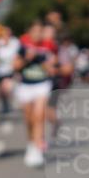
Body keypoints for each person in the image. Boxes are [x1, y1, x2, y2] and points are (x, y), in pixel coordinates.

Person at [13, 20, 57, 168]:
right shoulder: (23, 44)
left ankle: (38, 149)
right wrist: (27, 58)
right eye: (35, 31)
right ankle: (31, 143)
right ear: (30, 31)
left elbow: (53, 67)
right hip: (25, 85)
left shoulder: (48, 45)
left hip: (42, 84)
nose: (38, 34)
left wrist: (48, 64)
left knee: (39, 116)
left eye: (40, 31)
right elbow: (15, 66)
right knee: (29, 118)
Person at [0, 25, 20, 119]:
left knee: (6, 88)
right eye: (4, 33)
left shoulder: (15, 42)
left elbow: (17, 55)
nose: (6, 35)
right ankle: (5, 104)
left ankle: (11, 101)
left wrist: (16, 65)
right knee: (1, 91)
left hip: (10, 70)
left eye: (7, 33)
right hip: (0, 70)